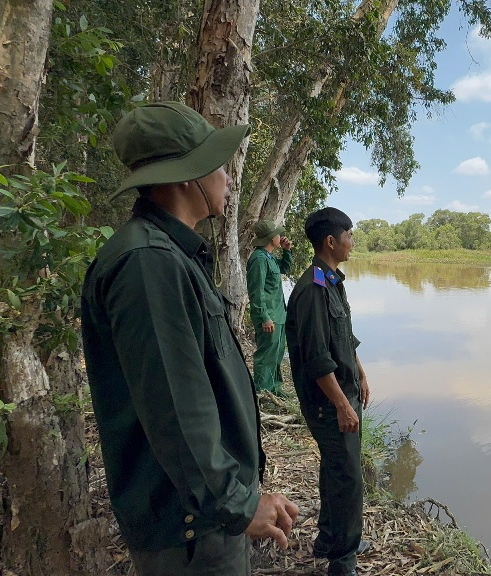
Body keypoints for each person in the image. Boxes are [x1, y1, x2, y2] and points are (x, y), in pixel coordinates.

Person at [81, 101, 299, 575]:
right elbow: (176, 411)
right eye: (219, 166)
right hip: (191, 530)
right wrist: (238, 504)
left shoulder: (172, 257)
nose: (228, 178)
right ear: (187, 176)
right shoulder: (148, 264)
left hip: (203, 516)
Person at [285, 207, 371, 576]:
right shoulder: (312, 290)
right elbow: (317, 358)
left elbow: (344, 339)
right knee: (348, 477)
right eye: (349, 235)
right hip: (328, 403)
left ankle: (329, 538)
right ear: (331, 241)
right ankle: (343, 558)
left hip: (344, 394)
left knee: (337, 470)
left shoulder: (332, 281)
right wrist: (341, 405)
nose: (353, 241)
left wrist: (361, 374)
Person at [246, 220, 293, 394]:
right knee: (266, 356)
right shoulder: (258, 259)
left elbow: (284, 269)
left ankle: (275, 389)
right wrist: (264, 317)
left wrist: (287, 251)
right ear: (271, 237)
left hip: (279, 315)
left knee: (277, 354)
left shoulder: (269, 257)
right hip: (270, 316)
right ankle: (263, 393)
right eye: (278, 234)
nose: (280, 237)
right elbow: (256, 292)